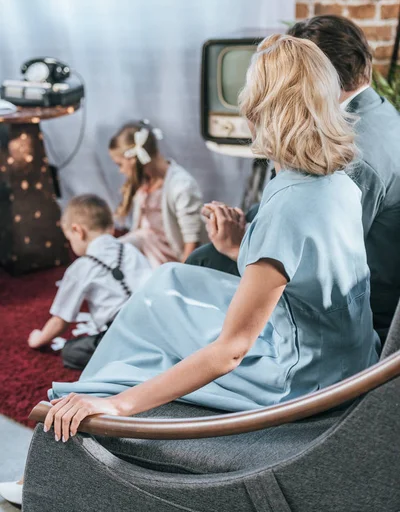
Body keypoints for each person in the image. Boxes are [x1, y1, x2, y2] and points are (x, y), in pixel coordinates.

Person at [0, 34, 381, 507]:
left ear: (262, 105)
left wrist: (121, 406)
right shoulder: (339, 179)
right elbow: (308, 273)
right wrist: (235, 246)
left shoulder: (288, 204)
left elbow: (231, 352)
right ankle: (104, 380)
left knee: (153, 321)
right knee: (166, 279)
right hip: (346, 354)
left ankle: (92, 410)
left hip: (301, 381)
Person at [188, 15, 400, 344]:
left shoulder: (355, 154)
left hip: (357, 317)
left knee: (201, 260)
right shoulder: (382, 114)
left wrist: (236, 248)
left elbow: (321, 260)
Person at [27, 194, 152, 370]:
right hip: (156, 323)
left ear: (78, 230)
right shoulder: (130, 250)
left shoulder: (81, 267)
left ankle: (127, 360)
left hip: (123, 334)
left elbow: (60, 320)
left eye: (69, 238)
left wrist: (38, 339)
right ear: (110, 227)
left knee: (71, 351)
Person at [108, 120, 204, 267]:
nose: (120, 171)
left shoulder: (182, 186)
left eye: (119, 164)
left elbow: (192, 240)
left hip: (169, 256)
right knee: (111, 252)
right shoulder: (145, 181)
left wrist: (181, 273)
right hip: (146, 246)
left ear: (133, 159)